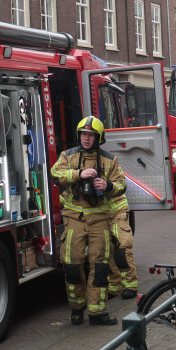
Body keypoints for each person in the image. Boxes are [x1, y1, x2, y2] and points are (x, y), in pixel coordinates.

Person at [52, 116, 127, 326]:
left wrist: (108, 186)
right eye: (84, 134)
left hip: (100, 220)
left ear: (98, 137)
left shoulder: (109, 160)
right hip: (74, 219)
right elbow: (55, 174)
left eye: (91, 135)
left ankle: (98, 312)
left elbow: (122, 185)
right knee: (72, 264)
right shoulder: (68, 156)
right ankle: (77, 309)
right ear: (79, 136)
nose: (86, 138)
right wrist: (78, 174)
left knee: (100, 266)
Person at [105, 184, 138, 302]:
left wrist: (107, 186)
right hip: (98, 214)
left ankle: (130, 286)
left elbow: (121, 185)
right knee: (106, 250)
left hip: (117, 211)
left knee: (122, 247)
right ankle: (114, 286)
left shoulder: (110, 165)